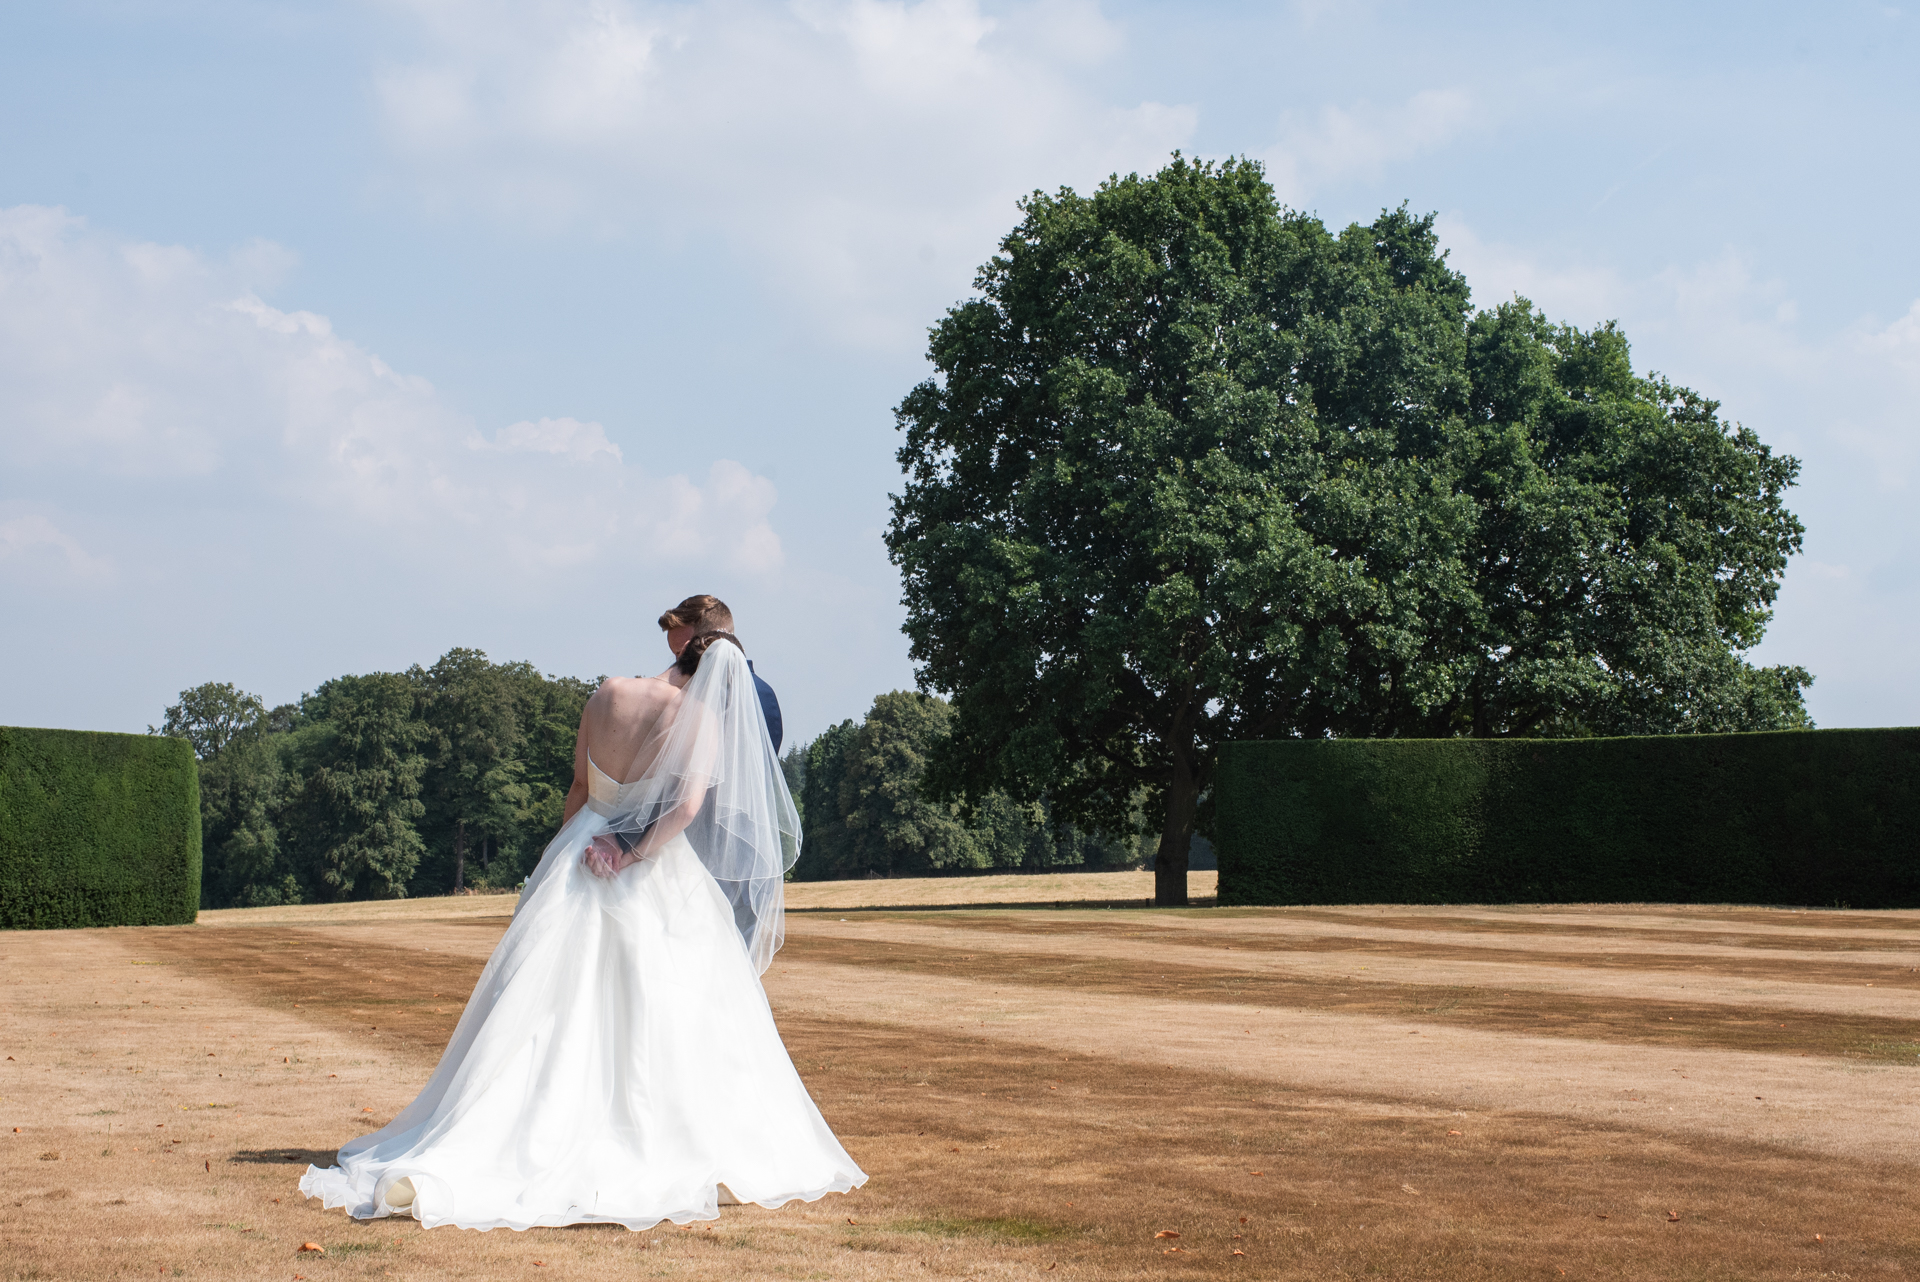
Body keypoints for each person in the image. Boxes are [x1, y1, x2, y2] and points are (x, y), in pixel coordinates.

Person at [299, 615, 865, 1230]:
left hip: (578, 845)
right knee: (669, 1002)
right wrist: (630, 853)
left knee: (544, 1002)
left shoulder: (606, 693)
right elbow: (686, 807)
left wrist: (563, 857)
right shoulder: (696, 717)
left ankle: (510, 1123)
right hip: (646, 861)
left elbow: (578, 787)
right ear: (710, 678)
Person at [658, 594, 783, 751]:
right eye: (676, 654)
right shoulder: (764, 692)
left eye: (683, 652)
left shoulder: (704, 696)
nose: (678, 664)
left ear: (712, 640)